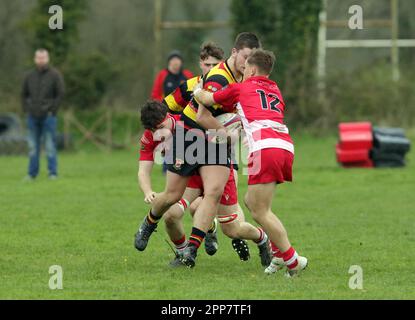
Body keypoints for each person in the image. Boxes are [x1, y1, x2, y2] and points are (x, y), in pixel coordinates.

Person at [137, 42, 271, 267]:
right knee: (173, 202)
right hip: (192, 139)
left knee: (220, 203)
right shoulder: (204, 82)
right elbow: (168, 107)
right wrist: (163, 130)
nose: (246, 64)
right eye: (206, 64)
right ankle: (155, 227)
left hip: (217, 142)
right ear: (234, 53)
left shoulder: (245, 82)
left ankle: (199, 247)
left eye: (251, 60)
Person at [193, 49, 308, 277]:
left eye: (244, 70)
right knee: (252, 202)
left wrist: (198, 89)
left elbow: (207, 99)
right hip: (284, 145)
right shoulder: (276, 89)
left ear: (252, 69)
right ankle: (278, 255)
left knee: (260, 211)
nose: (242, 73)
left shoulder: (240, 88)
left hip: (265, 149)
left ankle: (293, 260)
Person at [21, 49, 64, 180]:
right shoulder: (29, 76)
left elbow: (60, 94)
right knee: (33, 147)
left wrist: (52, 111)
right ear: (35, 59)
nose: (41, 60)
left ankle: (53, 173)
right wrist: (27, 110)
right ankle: (31, 174)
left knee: (50, 145)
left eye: (43, 58)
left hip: (49, 117)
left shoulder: (55, 75)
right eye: (39, 58)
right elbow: (23, 95)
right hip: (32, 117)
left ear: (48, 58)